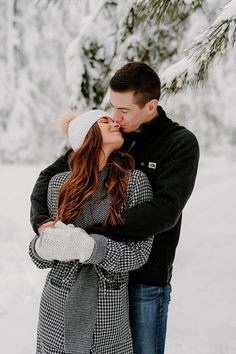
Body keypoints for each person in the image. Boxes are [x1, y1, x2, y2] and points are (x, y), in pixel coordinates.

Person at [30, 62, 200, 354]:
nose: (114, 117)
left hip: (146, 276)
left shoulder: (179, 143)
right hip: (93, 278)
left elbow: (165, 211)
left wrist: (88, 237)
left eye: (123, 110)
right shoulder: (114, 135)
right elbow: (50, 176)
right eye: (112, 107)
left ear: (151, 106)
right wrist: (43, 225)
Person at [29, 109, 154, 354]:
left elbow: (139, 254)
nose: (114, 123)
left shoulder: (135, 182)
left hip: (107, 309)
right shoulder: (59, 184)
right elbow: (41, 255)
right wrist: (42, 247)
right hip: (57, 304)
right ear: (87, 135)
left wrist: (91, 248)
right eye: (104, 120)